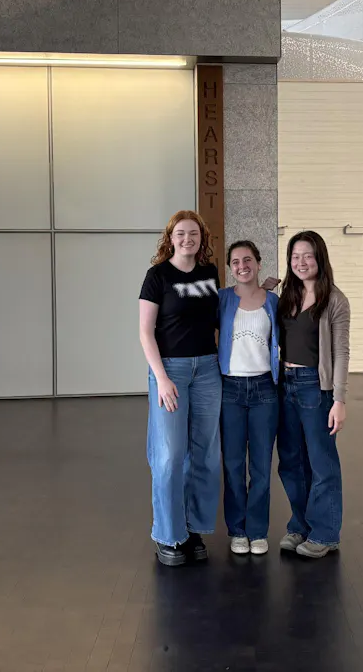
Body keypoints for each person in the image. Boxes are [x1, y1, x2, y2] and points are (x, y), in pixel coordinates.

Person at [138, 211, 222, 567]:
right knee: (170, 455)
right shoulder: (157, 276)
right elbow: (145, 331)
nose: (188, 239)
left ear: (202, 238)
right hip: (170, 370)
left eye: (194, 233)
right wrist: (161, 378)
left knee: (204, 454)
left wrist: (259, 291)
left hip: (207, 369)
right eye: (181, 233)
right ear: (170, 238)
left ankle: (193, 529)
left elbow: (224, 313)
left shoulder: (210, 274)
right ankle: (168, 534)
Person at [276, 230, 350, 559]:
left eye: (307, 255)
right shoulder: (286, 296)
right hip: (285, 383)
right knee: (291, 462)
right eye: (295, 256)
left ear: (319, 258)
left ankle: (325, 533)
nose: (301, 262)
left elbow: (342, 353)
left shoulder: (334, 299)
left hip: (314, 386)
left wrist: (339, 399)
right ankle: (301, 526)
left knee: (322, 463)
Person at [217, 240, 280, 556]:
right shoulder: (223, 299)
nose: (242, 266)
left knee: (260, 466)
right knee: (232, 465)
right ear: (230, 267)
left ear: (258, 262)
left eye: (247, 260)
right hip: (229, 390)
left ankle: (257, 531)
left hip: (265, 391)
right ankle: (237, 530)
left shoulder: (273, 301)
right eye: (235, 262)